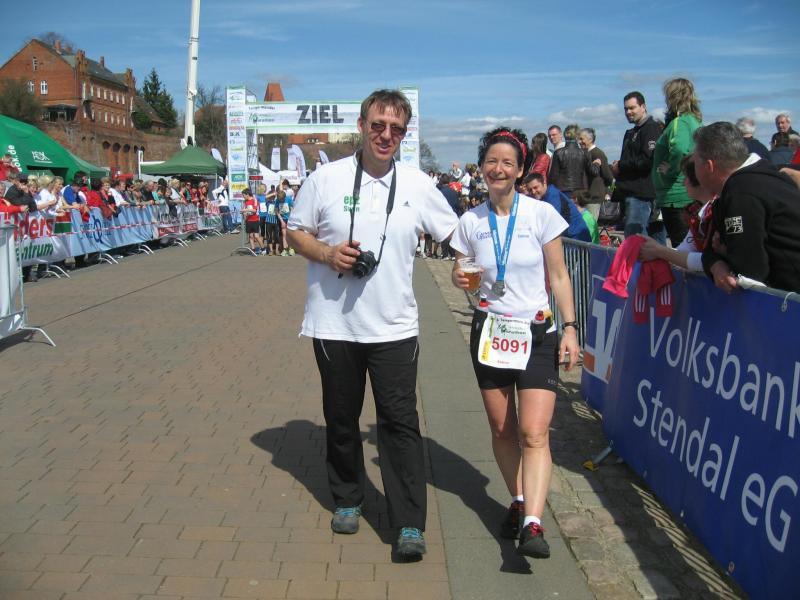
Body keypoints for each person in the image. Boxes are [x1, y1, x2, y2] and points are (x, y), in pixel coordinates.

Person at [286, 89, 458, 561]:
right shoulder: (325, 178)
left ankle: (409, 522)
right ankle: (348, 497)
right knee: (341, 417)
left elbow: (456, 234)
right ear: (362, 126)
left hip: (394, 326)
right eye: (378, 125)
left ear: (404, 134)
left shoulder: (418, 184)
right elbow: (295, 231)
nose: (386, 135)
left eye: (396, 129)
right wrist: (326, 253)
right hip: (334, 324)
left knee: (401, 423)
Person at [449, 126, 579, 560]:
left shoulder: (541, 214)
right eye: (491, 161)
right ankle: (520, 500)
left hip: (536, 332)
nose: (498, 168)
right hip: (491, 332)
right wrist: (458, 277)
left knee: (534, 432)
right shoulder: (470, 221)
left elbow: (559, 275)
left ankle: (533, 523)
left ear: (521, 169)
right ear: (482, 168)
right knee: (503, 430)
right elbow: (462, 269)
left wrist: (571, 328)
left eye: (508, 162)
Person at [694, 122, 800, 293]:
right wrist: (715, 263)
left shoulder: (741, 193)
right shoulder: (761, 173)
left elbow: (750, 271)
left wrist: (725, 255)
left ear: (709, 166)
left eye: (695, 162)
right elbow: (712, 247)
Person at [639, 154, 714, 271]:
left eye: (686, 177)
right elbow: (683, 251)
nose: (683, 183)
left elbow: (711, 262)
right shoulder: (698, 212)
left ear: (699, 179)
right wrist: (655, 250)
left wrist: (659, 251)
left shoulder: (716, 211)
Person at [652, 78, 703, 246]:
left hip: (676, 196)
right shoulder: (694, 121)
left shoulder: (680, 122)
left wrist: (671, 169)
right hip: (687, 193)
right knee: (691, 245)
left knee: (681, 247)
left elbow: (680, 149)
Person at [611, 91, 665, 242]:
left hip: (642, 195)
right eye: (626, 109)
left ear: (643, 107)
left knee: (636, 240)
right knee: (648, 240)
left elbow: (647, 161)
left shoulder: (651, 128)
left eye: (632, 108)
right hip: (633, 193)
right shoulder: (632, 132)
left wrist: (621, 165)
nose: (628, 112)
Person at [523, 173, 592, 242]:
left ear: (544, 183)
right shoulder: (543, 196)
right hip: (569, 237)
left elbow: (551, 222)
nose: (533, 192)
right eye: (530, 190)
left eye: (535, 187)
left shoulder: (552, 196)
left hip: (576, 237)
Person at [578, 128, 613, 219]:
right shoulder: (584, 153)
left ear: (590, 139)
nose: (579, 142)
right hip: (585, 196)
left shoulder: (598, 154)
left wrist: (608, 192)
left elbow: (608, 177)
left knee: (590, 223)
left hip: (594, 197)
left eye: (582, 139)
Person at [241, 188, 265, 255]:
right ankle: (253, 250)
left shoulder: (254, 200)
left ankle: (263, 248)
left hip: (255, 220)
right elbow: (244, 209)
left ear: (247, 194)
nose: (243, 197)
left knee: (256, 236)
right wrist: (244, 213)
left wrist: (245, 210)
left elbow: (254, 210)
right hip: (248, 220)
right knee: (251, 236)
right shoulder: (245, 202)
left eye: (243, 195)